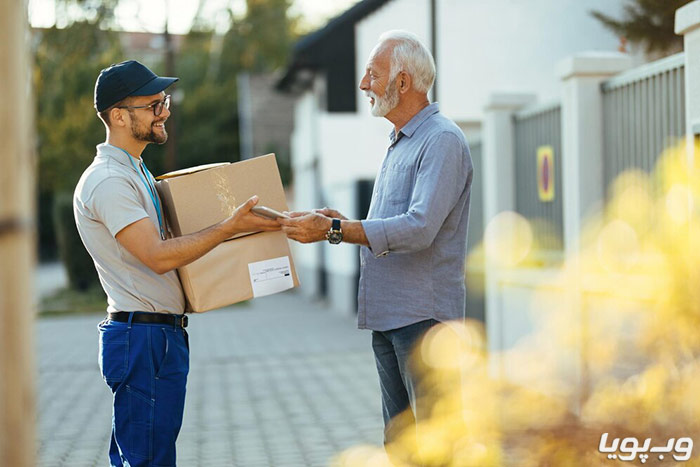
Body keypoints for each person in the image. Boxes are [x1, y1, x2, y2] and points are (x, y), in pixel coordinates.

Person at [74, 60, 279, 467]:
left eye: (163, 100)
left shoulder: (138, 173)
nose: (165, 110)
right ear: (118, 115)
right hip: (141, 339)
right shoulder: (110, 181)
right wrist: (227, 228)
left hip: (158, 337)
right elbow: (157, 255)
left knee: (153, 456)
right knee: (146, 461)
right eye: (153, 104)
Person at [279, 30, 473, 453]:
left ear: (402, 82)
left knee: (436, 444)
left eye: (373, 73)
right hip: (390, 316)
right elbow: (393, 225)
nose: (364, 84)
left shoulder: (441, 140)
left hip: (423, 320)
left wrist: (335, 231)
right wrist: (344, 224)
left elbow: (420, 228)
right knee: (400, 442)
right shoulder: (401, 142)